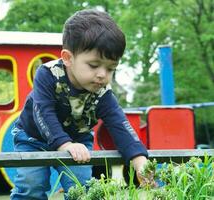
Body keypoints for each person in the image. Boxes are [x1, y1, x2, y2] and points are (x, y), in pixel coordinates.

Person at [10, 9, 150, 200]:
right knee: (31, 184)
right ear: (68, 58)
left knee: (82, 187)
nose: (102, 74)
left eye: (110, 68)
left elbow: (120, 124)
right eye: (94, 65)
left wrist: (139, 160)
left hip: (78, 141)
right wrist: (64, 143)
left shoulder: (103, 92)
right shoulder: (48, 75)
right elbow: (43, 112)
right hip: (33, 139)